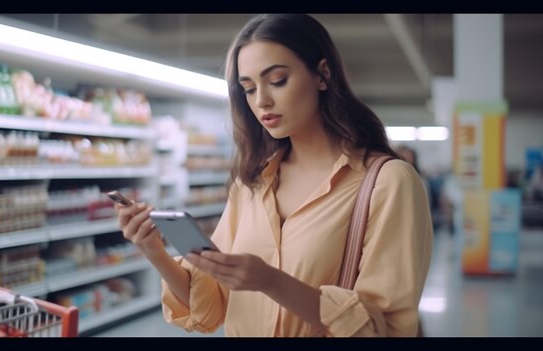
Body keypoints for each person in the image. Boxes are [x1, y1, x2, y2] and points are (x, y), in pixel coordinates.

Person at [116, 14, 433, 337]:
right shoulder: (251, 185)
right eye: (249, 89)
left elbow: (386, 329)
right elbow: (210, 309)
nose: (261, 100)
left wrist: (272, 281)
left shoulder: (388, 182)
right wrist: (154, 250)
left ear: (323, 74)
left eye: (278, 80)